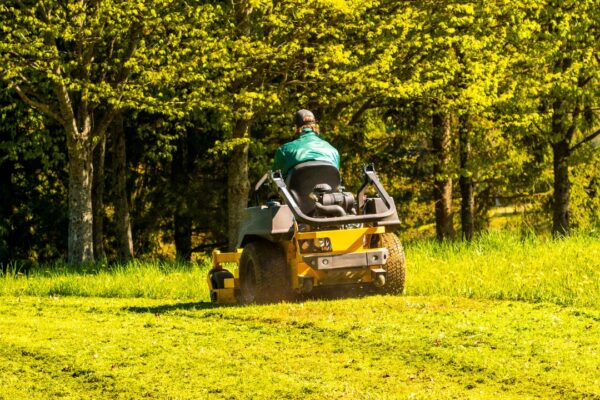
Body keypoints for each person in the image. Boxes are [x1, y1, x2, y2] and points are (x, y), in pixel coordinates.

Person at [272, 109, 340, 177]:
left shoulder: (285, 150)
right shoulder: (333, 151)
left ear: (296, 127)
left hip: (296, 187)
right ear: (315, 126)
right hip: (328, 186)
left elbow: (276, 176)